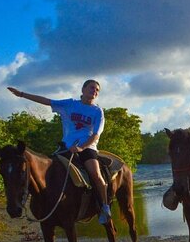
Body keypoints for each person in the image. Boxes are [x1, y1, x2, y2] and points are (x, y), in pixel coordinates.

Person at [7, 80, 113, 225]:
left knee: (96, 175)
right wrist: (22, 95)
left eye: (97, 90)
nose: (94, 91)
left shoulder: (97, 111)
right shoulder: (69, 104)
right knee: (47, 173)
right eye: (91, 88)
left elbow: (96, 135)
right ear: (83, 89)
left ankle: (104, 207)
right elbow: (47, 101)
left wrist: (82, 147)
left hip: (87, 149)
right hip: (65, 147)